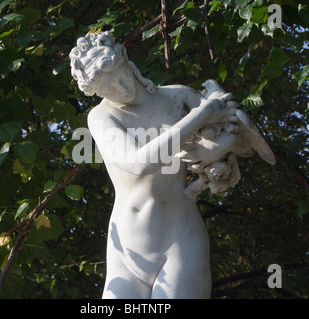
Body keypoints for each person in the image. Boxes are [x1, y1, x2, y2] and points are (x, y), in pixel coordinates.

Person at [70, 31, 240, 298]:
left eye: (121, 75)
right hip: (127, 251)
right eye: (109, 88)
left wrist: (218, 152)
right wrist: (202, 115)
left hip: (180, 237)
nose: (122, 88)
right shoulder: (102, 116)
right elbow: (138, 163)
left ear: (127, 62)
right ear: (97, 93)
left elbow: (239, 140)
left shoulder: (180, 98)